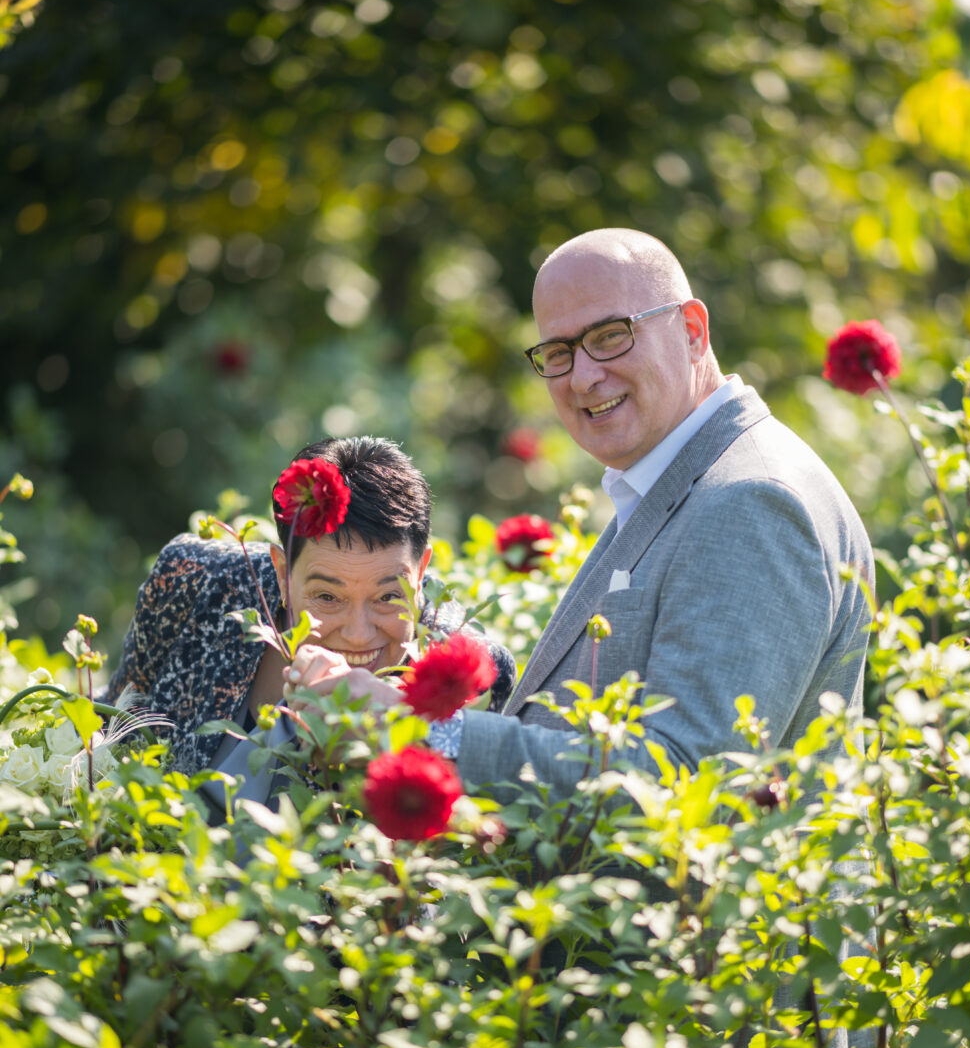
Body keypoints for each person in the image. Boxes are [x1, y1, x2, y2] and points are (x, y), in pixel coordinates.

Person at [290, 230, 874, 799]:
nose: (583, 376)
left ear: (692, 331)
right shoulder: (684, 479)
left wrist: (421, 732)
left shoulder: (749, 500)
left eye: (611, 336)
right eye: (559, 352)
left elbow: (691, 784)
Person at [106, 436, 515, 803]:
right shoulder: (193, 579)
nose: (358, 635)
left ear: (421, 573)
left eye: (388, 597)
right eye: (327, 597)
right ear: (282, 572)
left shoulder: (467, 674)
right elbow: (110, 736)